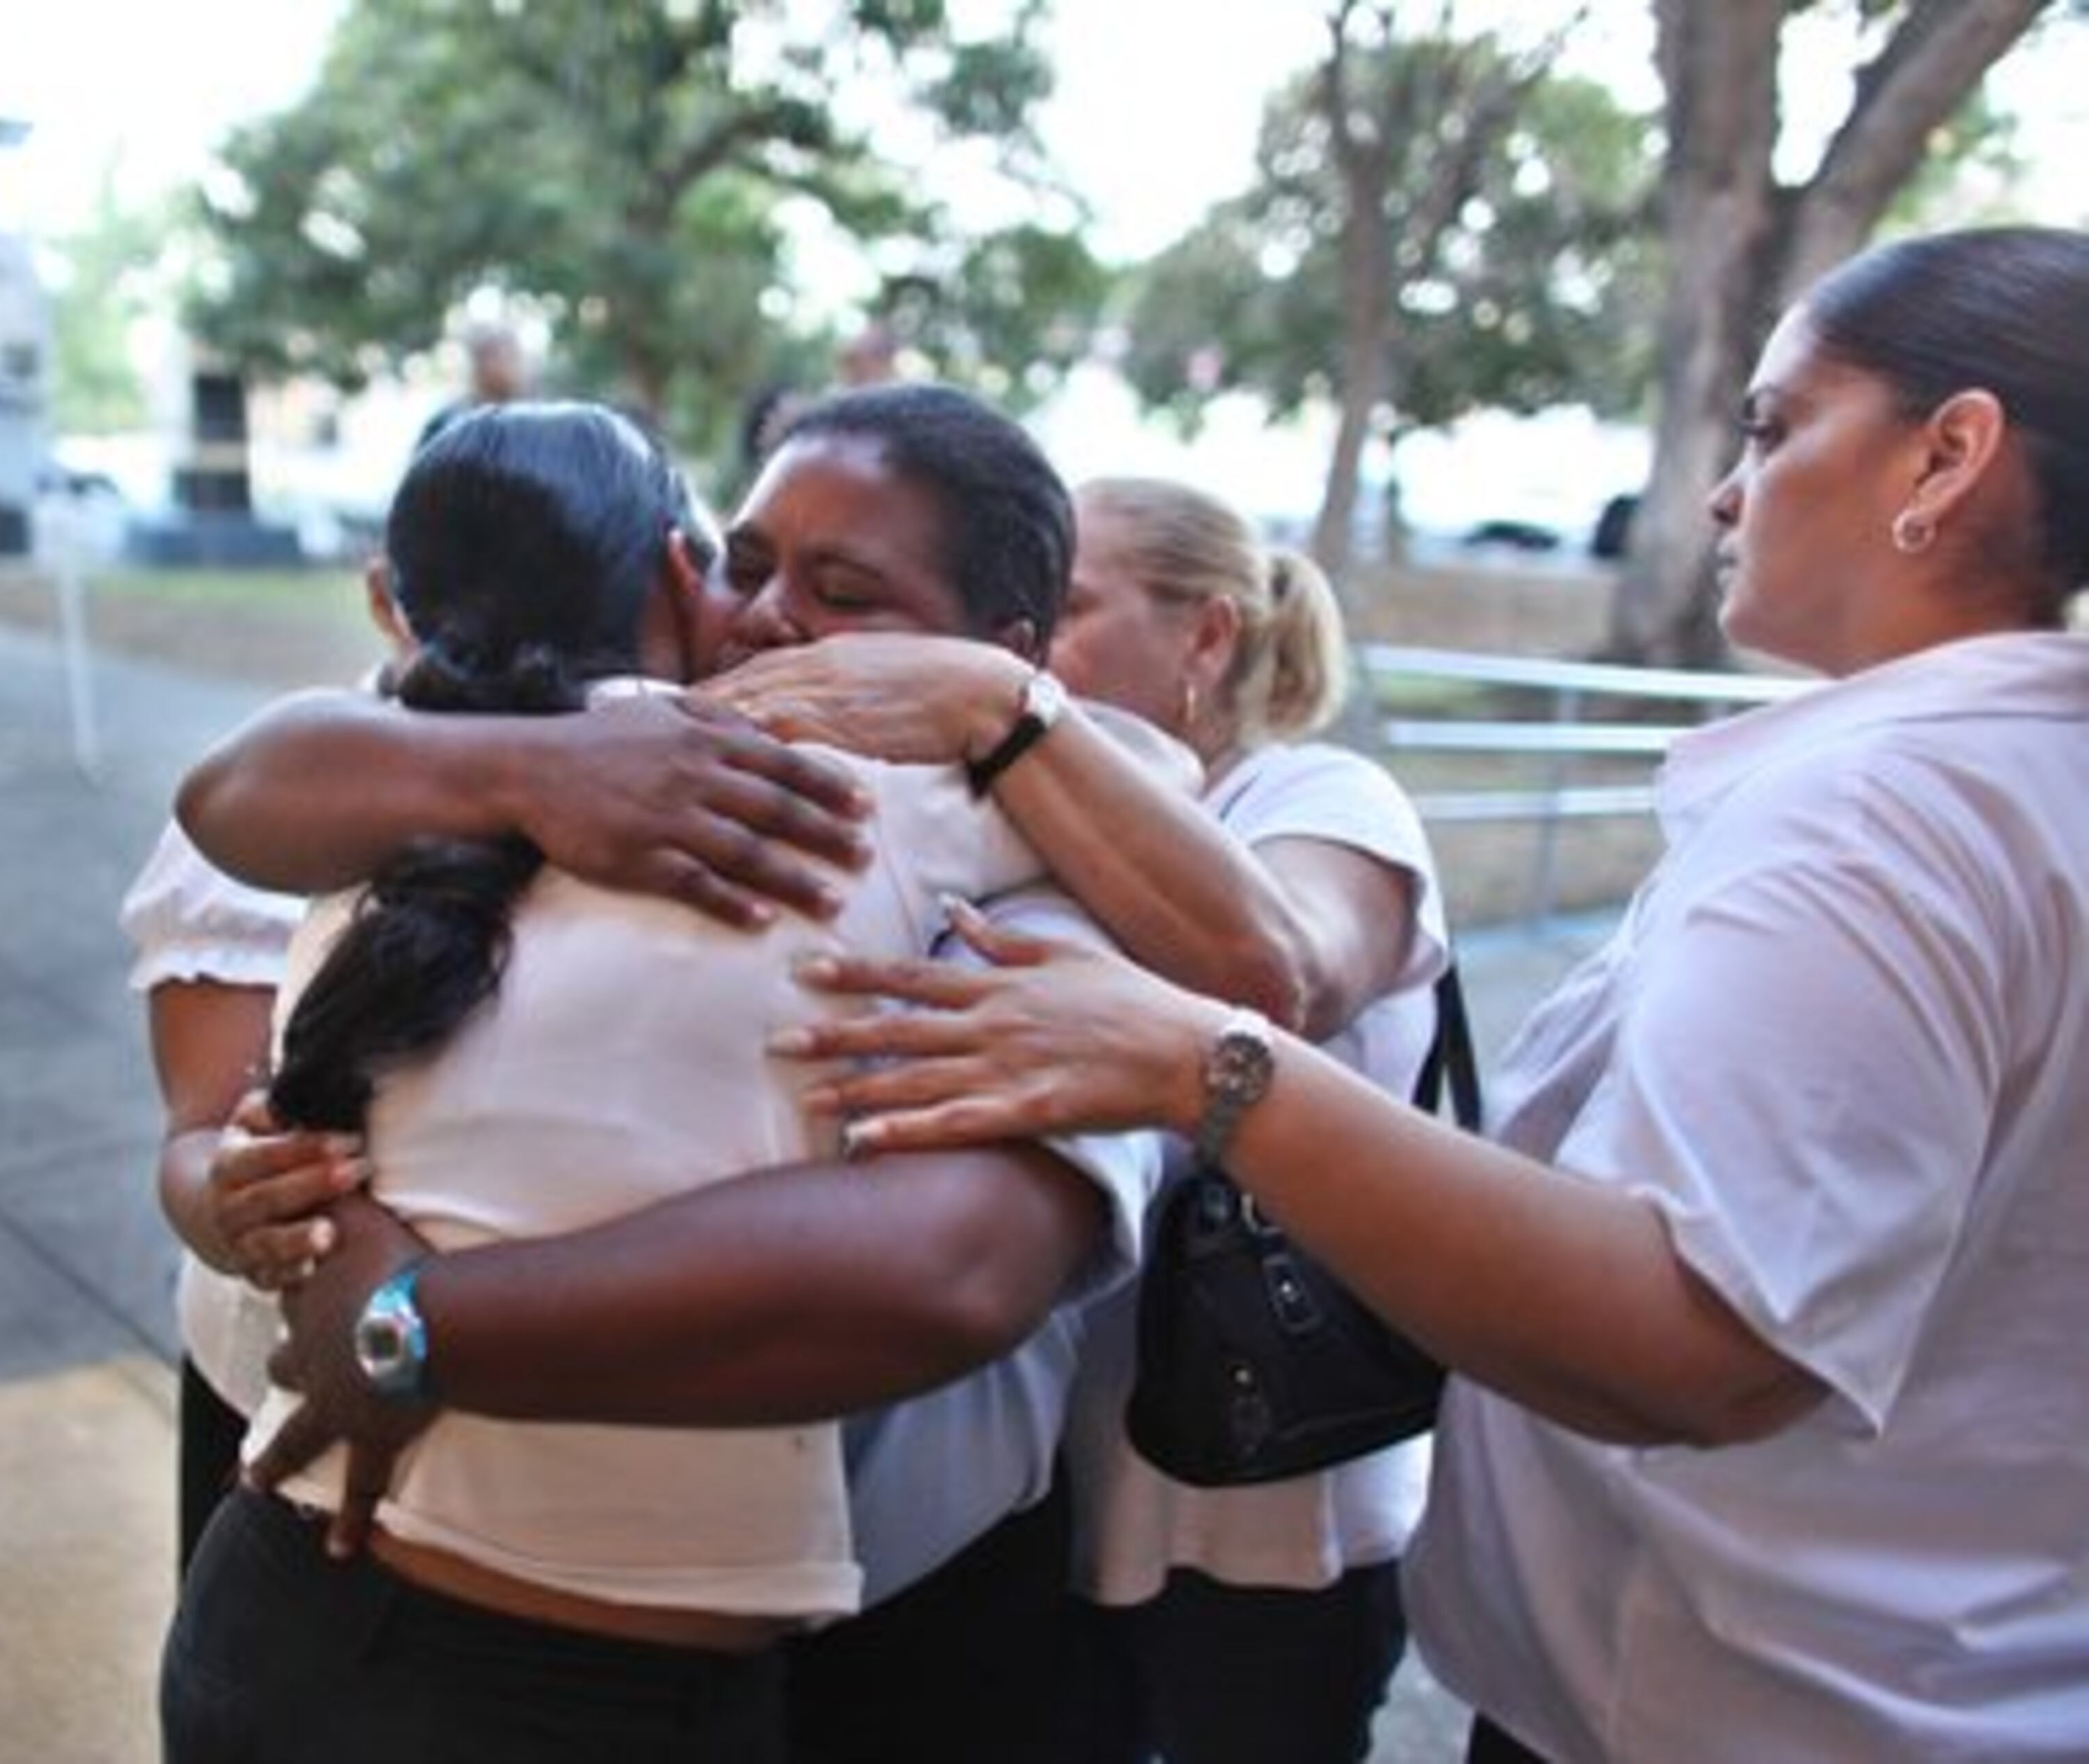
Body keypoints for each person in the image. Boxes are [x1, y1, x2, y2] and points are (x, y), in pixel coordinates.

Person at [761, 224, 2089, 1761]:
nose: (1730, 492)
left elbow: (1703, 1340)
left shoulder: (1878, 820)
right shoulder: (2010, 789)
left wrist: (1212, 1070)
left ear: (1949, 457)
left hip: (1761, 1702)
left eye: (1777, 427)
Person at [161, 397, 1156, 1763]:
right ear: (683, 574)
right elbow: (231, 796)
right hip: (434, 1636)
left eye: (844, 592)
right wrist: (535, 763)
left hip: (700, 1649)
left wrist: (402, 1321)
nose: (765, 618)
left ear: (1009, 657)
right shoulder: (539, 759)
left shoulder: (997, 825)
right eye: (748, 565)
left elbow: (953, 1262)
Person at [702, 476, 1449, 1762]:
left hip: (1256, 1524)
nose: (1030, 645)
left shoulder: (1320, 799)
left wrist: (1004, 711)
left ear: (1208, 638)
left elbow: (1285, 977)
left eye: (1069, 609)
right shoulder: (1006, 815)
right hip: (1069, 1499)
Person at [119, 567, 419, 1576]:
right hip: (274, 1389)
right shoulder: (272, 808)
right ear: (389, 600)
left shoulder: (637, 779)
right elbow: (198, 1139)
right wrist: (247, 1211)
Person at [411, 321, 528, 453]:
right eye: (496, 355)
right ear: (478, 361)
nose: (508, 366)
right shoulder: (450, 424)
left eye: (512, 356)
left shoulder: (530, 423)